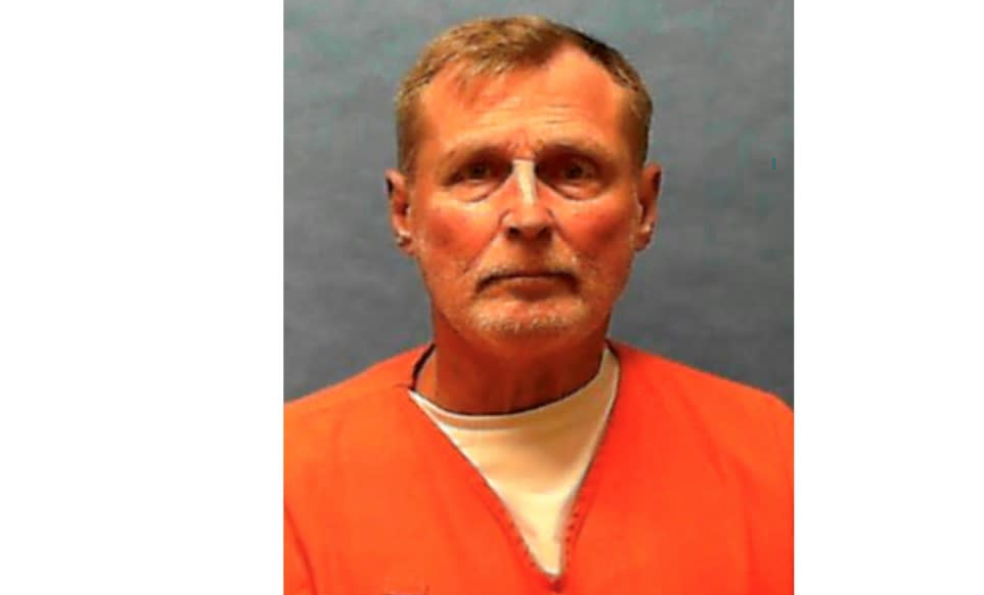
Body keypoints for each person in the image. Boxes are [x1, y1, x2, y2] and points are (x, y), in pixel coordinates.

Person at [285, 15, 792, 595]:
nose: (527, 216)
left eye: (573, 172)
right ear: (405, 213)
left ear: (643, 208)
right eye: (476, 173)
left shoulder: (773, 456)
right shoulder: (286, 483)